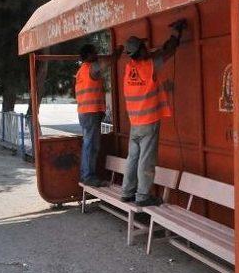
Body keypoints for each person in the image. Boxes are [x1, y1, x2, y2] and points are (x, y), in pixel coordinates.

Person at [121, 19, 187, 206]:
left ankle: (127, 192)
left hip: (135, 122)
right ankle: (143, 196)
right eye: (144, 46)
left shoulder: (129, 68)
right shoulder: (149, 66)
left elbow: (154, 55)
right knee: (146, 159)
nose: (146, 47)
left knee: (133, 158)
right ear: (141, 50)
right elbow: (168, 51)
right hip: (148, 122)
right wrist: (176, 33)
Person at [75, 43, 113, 187]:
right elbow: (108, 63)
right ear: (89, 55)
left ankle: (87, 175)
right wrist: (116, 53)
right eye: (95, 52)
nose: (97, 55)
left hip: (86, 112)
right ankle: (88, 176)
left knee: (89, 144)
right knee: (91, 145)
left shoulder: (81, 71)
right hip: (90, 112)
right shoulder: (91, 68)